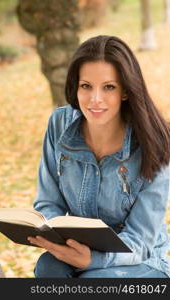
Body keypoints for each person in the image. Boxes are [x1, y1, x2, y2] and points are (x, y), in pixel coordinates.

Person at [28, 35, 170, 278]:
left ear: (126, 91)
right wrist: (56, 240)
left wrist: (93, 260)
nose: (95, 99)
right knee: (48, 267)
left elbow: (140, 240)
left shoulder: (158, 143)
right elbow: (48, 202)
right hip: (78, 248)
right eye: (86, 86)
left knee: (95, 279)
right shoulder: (59, 124)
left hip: (142, 260)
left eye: (109, 87)